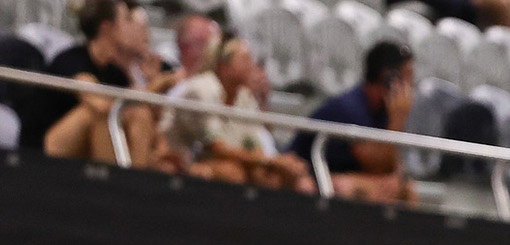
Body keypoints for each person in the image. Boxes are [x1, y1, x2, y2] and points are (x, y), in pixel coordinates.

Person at [43, 0, 185, 171]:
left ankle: (136, 183)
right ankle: (113, 187)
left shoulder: (114, 72)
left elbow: (140, 112)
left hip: (86, 147)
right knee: (100, 114)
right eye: (127, 19)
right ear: (107, 28)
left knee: (140, 114)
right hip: (47, 145)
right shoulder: (72, 60)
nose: (134, 27)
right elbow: (99, 104)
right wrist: (155, 86)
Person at [164, 38, 313, 191]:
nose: (251, 66)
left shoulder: (244, 96)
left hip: (224, 159)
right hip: (181, 157)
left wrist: (278, 163)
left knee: (275, 176)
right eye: (245, 59)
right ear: (224, 66)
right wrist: (272, 161)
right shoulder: (203, 89)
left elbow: (253, 142)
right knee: (232, 173)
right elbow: (215, 147)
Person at [291, 40, 416, 205]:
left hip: (346, 174)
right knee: (359, 189)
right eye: (408, 76)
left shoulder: (384, 110)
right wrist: (398, 121)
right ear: (389, 78)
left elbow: (392, 166)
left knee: (407, 190)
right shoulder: (349, 109)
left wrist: (397, 179)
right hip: (306, 175)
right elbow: (377, 165)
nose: (412, 84)